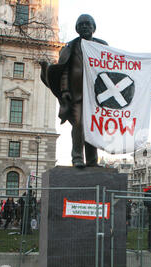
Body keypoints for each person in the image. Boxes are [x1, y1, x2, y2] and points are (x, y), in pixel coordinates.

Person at [40, 14, 108, 168]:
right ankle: (77, 157)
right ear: (77, 29)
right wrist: (65, 91)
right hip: (77, 95)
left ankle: (92, 161)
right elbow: (64, 70)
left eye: (87, 24)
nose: (84, 26)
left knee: (93, 128)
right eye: (81, 24)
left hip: (97, 97)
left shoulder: (102, 46)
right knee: (78, 125)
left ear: (93, 27)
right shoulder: (71, 47)